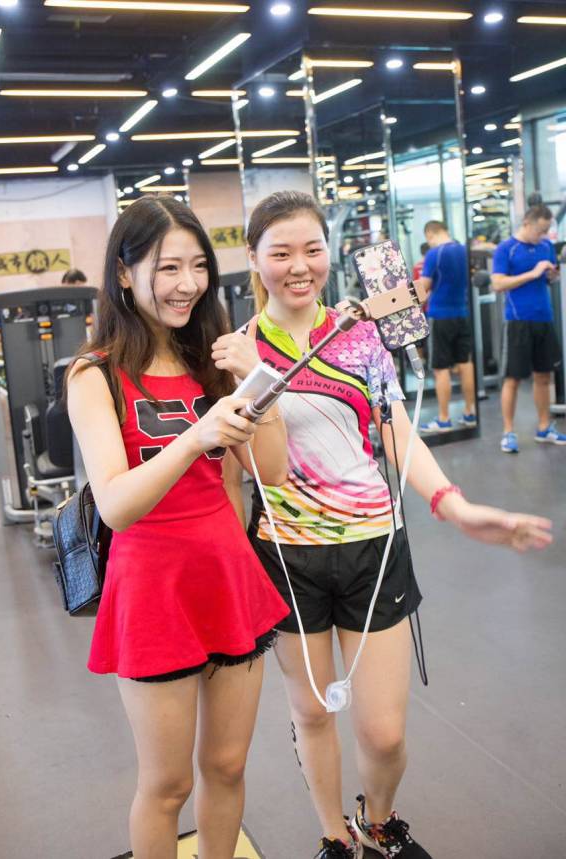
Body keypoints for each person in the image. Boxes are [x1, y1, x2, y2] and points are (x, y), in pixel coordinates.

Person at [212, 191, 552, 859]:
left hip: (374, 547)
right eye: (281, 252)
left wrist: (454, 505)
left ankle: (380, 817)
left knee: (384, 733)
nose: (299, 266)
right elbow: (239, 468)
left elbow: (395, 429)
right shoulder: (237, 351)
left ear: (329, 252)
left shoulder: (359, 333)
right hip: (286, 556)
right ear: (253, 258)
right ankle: (333, 833)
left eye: (312, 249)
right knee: (312, 711)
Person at [66, 196, 290, 859]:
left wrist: (259, 381)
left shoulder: (214, 361)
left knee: (227, 766)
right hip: (152, 590)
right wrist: (195, 437)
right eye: (168, 267)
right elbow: (115, 505)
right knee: (167, 786)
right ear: (124, 272)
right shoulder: (95, 373)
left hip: (228, 577)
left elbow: (272, 470)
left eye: (198, 266)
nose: (187, 283)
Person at [491, 204, 566, 452]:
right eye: (540, 230)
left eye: (546, 231)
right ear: (526, 223)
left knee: (544, 376)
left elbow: (547, 278)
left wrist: (551, 276)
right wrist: (533, 274)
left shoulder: (545, 247)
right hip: (518, 321)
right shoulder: (506, 248)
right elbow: (497, 284)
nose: (543, 235)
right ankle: (508, 432)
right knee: (512, 379)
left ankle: (544, 427)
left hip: (544, 318)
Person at [417, 221, 476, 433]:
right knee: (465, 364)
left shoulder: (434, 253)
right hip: (462, 313)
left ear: (430, 235)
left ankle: (444, 419)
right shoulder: (463, 250)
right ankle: (470, 412)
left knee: (441, 369)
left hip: (440, 316)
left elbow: (423, 287)